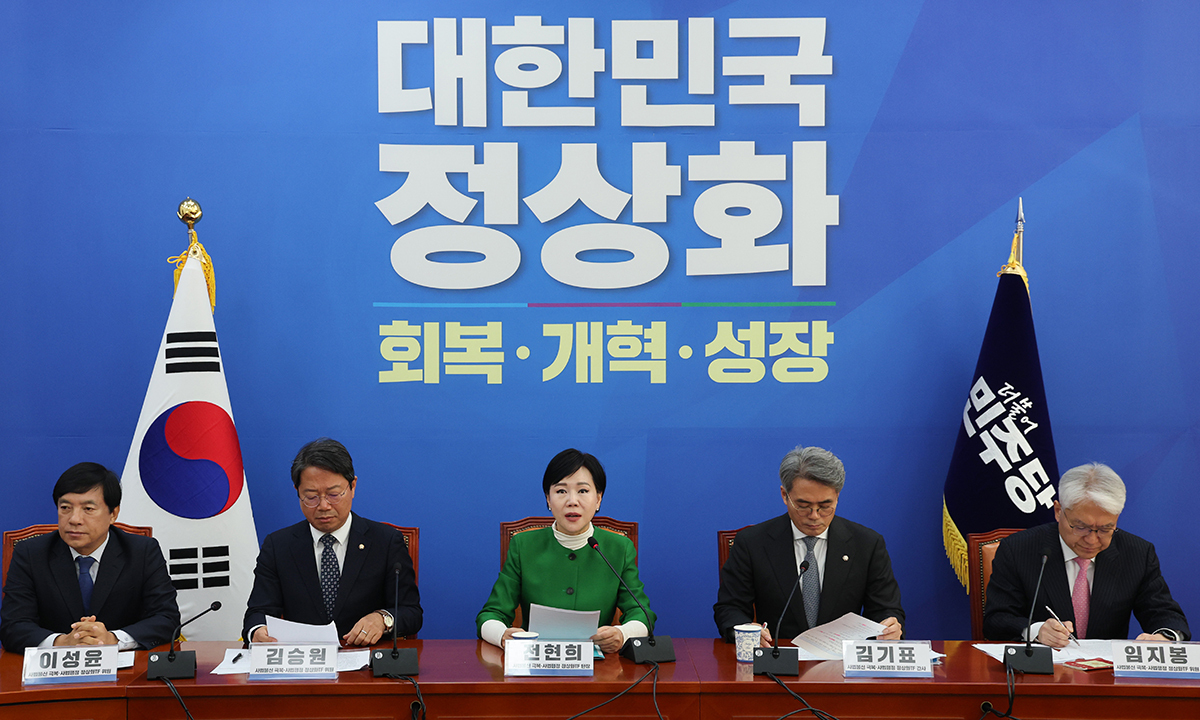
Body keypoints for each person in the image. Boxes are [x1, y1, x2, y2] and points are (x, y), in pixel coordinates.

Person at [714, 446, 904, 646]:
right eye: (803, 506)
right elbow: (730, 608)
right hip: (779, 655)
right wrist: (747, 631)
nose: (814, 516)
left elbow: (885, 609)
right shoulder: (752, 542)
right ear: (784, 495)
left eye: (825, 506)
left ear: (837, 496)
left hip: (842, 659)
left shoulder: (867, 544)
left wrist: (889, 627)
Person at [983, 462, 1189, 646]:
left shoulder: (1137, 553)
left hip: (1106, 672)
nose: (1092, 540)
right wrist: (1036, 631)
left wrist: (1165, 636)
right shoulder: (1018, 549)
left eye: (1105, 529)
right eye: (1081, 527)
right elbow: (996, 620)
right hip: (1042, 670)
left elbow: (1164, 614)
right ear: (1058, 511)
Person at [242, 438, 421, 645]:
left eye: (334, 494)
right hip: (303, 658)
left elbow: (411, 612)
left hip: (366, 657)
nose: (324, 506)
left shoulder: (386, 541)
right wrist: (257, 631)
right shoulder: (278, 545)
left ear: (352, 486)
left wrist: (382, 619)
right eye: (311, 497)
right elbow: (258, 612)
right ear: (297, 491)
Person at [476, 448, 656, 653]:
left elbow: (642, 614)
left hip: (598, 666)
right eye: (561, 491)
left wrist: (622, 634)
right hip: (534, 662)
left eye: (583, 491)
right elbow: (490, 615)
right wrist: (501, 635)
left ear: (598, 499)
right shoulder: (523, 545)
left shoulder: (619, 548)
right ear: (548, 499)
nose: (572, 501)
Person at [0, 462, 180, 653]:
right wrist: (62, 642)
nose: (74, 519)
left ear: (113, 514)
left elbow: (166, 618)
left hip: (125, 666)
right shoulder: (31, 553)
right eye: (65, 507)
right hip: (53, 668)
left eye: (88, 509)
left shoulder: (142, 551)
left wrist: (113, 639)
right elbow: (13, 626)